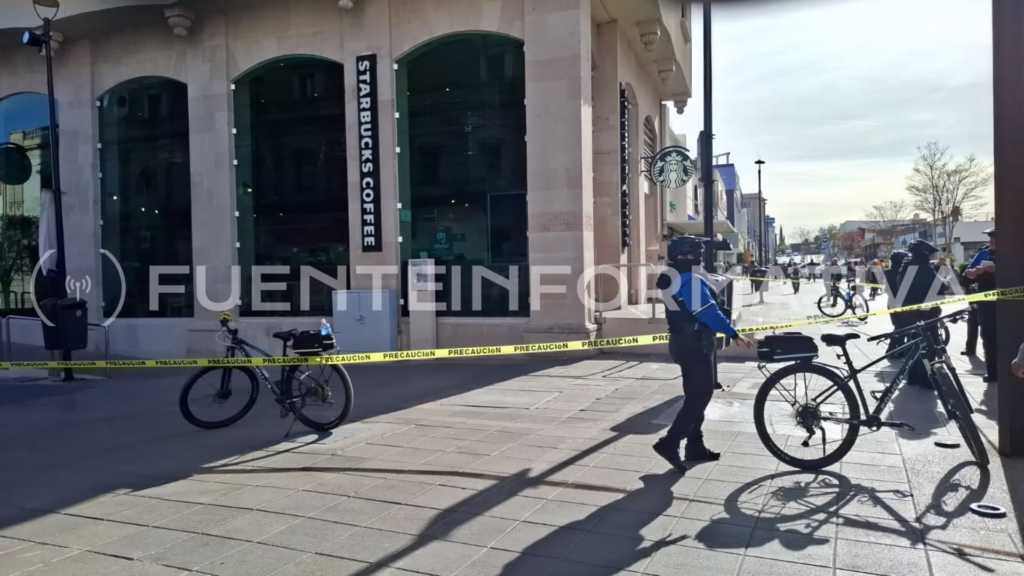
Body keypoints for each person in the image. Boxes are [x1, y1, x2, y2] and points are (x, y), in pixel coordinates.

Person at [653, 236, 754, 473]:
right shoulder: (691, 279)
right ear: (692, 256)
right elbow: (707, 312)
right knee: (700, 396)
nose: (699, 258)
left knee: (694, 396)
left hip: (681, 341)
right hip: (695, 343)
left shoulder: (672, 277)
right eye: (697, 254)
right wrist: (733, 333)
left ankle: (695, 446)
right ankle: (669, 443)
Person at [898, 239, 949, 388]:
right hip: (925, 314)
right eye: (928, 254)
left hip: (909, 313)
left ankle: (912, 376)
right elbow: (940, 287)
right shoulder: (923, 269)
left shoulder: (905, 267)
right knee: (928, 346)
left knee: (913, 344)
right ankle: (927, 380)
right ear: (923, 254)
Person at [965, 228, 997, 382]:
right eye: (990, 239)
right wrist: (974, 272)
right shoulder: (983, 254)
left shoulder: (1015, 253)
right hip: (986, 304)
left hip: (1010, 305)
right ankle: (992, 371)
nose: (992, 242)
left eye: (995, 239)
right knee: (988, 335)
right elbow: (967, 273)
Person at [884, 251, 910, 355]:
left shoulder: (889, 272)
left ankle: (896, 348)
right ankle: (894, 349)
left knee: (899, 326)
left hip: (892, 302)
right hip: (900, 303)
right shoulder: (902, 273)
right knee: (901, 326)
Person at [958, 258, 980, 356]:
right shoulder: (968, 268)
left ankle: (971, 349)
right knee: (972, 324)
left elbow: (962, 282)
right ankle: (970, 349)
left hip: (976, 300)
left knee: (973, 324)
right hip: (975, 300)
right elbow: (963, 281)